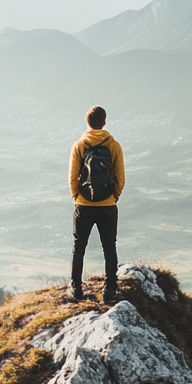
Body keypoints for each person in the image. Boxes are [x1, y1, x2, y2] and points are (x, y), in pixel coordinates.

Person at [68, 105, 125, 304]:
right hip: (107, 205)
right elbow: (120, 178)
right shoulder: (114, 145)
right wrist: (113, 197)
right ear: (105, 122)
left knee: (79, 246)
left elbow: (73, 178)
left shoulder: (79, 146)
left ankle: (75, 288)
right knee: (109, 247)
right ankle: (110, 290)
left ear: (87, 123)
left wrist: (77, 197)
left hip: (83, 205)